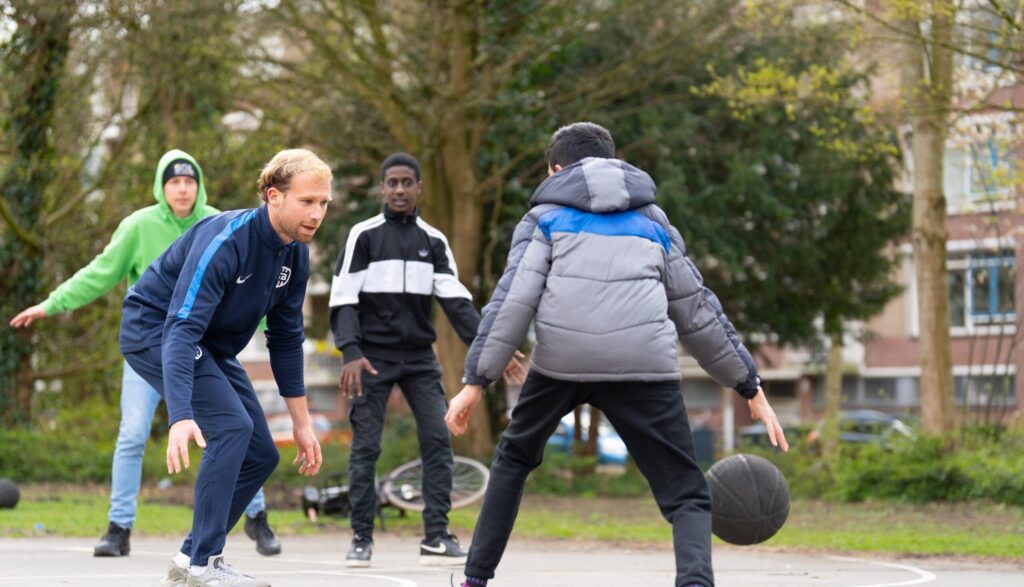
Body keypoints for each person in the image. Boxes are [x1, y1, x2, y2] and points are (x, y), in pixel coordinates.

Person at [445, 122, 790, 587]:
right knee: (687, 494)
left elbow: (513, 303)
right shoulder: (653, 220)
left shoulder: (543, 218)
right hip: (643, 365)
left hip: (561, 362)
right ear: (612, 160)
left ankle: (474, 581)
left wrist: (474, 383)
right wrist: (749, 384)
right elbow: (696, 310)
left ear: (556, 168)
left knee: (513, 462)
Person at [8, 149, 281, 558]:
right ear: (161, 187)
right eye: (174, 182)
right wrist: (51, 304)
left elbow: (253, 292)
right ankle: (119, 528)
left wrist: (273, 336)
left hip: (205, 347)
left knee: (235, 428)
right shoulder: (139, 226)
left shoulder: (222, 222)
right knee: (133, 433)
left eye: (190, 181)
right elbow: (100, 272)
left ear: (199, 185)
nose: (183, 188)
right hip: (153, 346)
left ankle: (255, 518)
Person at [119, 148, 330, 587]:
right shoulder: (226, 241)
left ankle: (188, 558)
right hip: (155, 329)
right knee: (233, 428)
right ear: (274, 196)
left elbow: (287, 339)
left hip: (207, 345)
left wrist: (302, 423)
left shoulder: (295, 257)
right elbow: (179, 329)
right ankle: (204, 564)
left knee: (262, 452)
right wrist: (180, 415)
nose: (317, 213)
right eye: (306, 201)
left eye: (324, 203)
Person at [328, 152, 525, 568]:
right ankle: (361, 538)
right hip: (372, 360)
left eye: (407, 183)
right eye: (392, 183)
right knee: (365, 448)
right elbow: (342, 298)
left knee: (438, 442)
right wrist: (350, 351)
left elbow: (457, 304)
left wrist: (493, 346)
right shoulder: (363, 236)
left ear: (419, 188)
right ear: (383, 188)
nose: (400, 190)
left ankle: (436, 537)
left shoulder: (433, 242)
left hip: (419, 358)